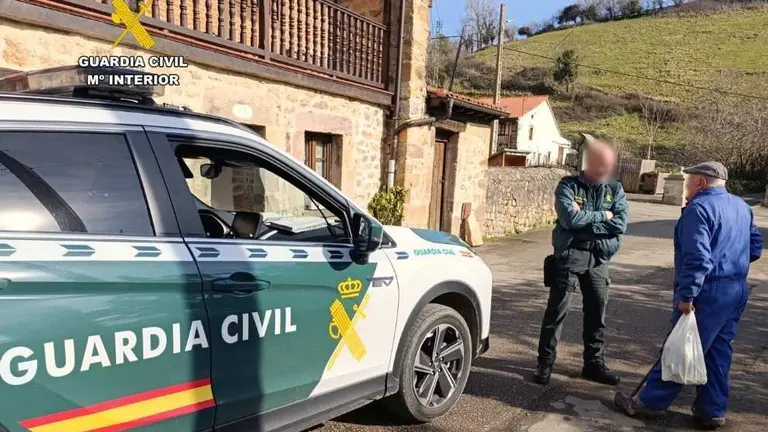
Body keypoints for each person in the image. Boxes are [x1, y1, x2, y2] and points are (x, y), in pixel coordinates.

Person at [614, 162, 763, 430]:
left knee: (682, 346)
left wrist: (688, 296)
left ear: (701, 183)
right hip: (735, 288)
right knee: (717, 351)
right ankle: (712, 410)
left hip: (708, 290)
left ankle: (649, 402)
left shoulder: (699, 208)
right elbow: (755, 247)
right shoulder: (741, 206)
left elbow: (697, 258)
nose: (686, 187)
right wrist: (732, 262)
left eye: (688, 181)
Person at [534, 135, 628, 386]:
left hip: (598, 257)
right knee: (556, 312)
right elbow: (569, 219)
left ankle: (593, 364)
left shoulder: (614, 189)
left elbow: (620, 224)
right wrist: (603, 216)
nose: (605, 169)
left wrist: (587, 221)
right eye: (600, 163)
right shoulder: (568, 186)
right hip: (570, 255)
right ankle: (545, 363)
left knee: (597, 313)